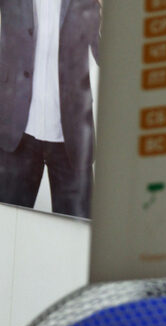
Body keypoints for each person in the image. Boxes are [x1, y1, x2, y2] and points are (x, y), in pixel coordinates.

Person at [0, 0, 101, 218]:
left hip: (71, 137)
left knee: (77, 231)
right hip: (16, 133)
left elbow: (109, 56)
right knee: (5, 227)